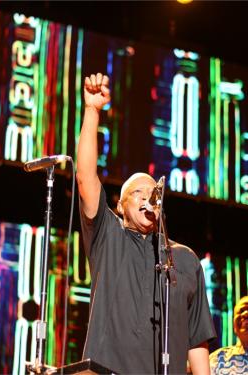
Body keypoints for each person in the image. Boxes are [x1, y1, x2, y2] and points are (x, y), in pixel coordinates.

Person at [76, 72, 216, 374]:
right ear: (121, 206)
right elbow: (86, 178)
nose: (146, 198)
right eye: (136, 193)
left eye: (153, 193)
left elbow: (197, 339)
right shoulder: (108, 236)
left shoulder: (185, 259)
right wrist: (92, 111)